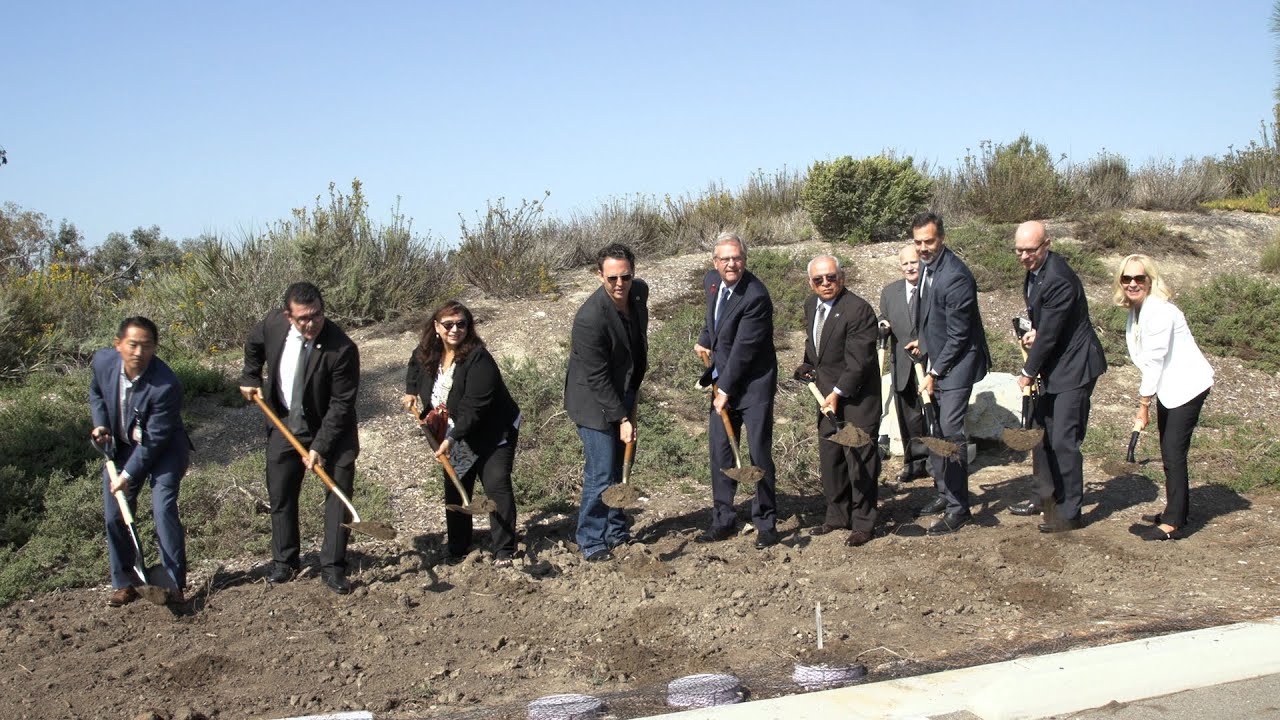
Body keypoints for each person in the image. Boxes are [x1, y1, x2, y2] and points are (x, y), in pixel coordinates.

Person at [240, 282, 360, 594]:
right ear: (288, 316)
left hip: (332, 428)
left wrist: (320, 446)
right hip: (285, 424)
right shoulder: (273, 325)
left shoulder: (342, 348)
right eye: (303, 318)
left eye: (316, 316)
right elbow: (253, 344)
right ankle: (284, 562)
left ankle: (333, 567)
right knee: (281, 494)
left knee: (337, 495)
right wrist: (251, 376)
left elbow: (341, 405)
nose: (311, 324)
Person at [403, 301, 521, 566]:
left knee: (496, 484)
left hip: (491, 431)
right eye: (448, 324)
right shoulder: (427, 352)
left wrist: (451, 439)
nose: (455, 329)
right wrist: (411, 390)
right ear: (436, 327)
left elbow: (474, 408)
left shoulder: (478, 358)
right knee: (456, 489)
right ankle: (458, 548)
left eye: (461, 324)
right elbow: (414, 364)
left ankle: (504, 550)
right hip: (452, 432)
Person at [1010, 221, 1107, 533]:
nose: (1024, 256)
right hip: (1055, 366)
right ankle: (1046, 497)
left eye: (1031, 250)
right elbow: (1047, 323)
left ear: (1047, 244)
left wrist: (1027, 371)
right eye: (1019, 250)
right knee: (1042, 434)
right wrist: (1034, 331)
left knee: (1064, 440)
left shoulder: (1059, 278)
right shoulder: (1036, 272)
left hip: (1075, 367)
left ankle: (1069, 512)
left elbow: (1051, 336)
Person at [89, 316, 192, 607]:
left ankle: (173, 583)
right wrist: (100, 425)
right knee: (114, 514)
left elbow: (154, 442)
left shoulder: (166, 385)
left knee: (163, 509)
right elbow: (96, 392)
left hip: (165, 450)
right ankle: (125, 582)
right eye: (132, 345)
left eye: (146, 346)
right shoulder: (103, 363)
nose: (138, 352)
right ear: (118, 344)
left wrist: (127, 475)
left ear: (155, 348)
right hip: (121, 445)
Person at [1115, 254, 1214, 541]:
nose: (1132, 284)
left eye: (1139, 278)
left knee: (1173, 452)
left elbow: (1154, 363)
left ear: (1150, 279)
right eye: (1126, 278)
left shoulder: (1158, 311)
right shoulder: (1138, 309)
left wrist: (1142, 406)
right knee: (1169, 451)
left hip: (1187, 387)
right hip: (1170, 389)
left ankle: (1173, 523)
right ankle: (1175, 510)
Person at [693, 232, 780, 549]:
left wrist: (725, 390)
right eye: (725, 258)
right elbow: (713, 317)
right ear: (715, 262)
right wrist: (705, 337)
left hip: (753, 385)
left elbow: (745, 349)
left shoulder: (755, 295)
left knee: (758, 454)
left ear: (745, 259)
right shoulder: (711, 282)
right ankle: (723, 519)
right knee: (721, 452)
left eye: (737, 258)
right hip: (723, 382)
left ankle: (766, 522)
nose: (731, 263)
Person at [905, 213, 990, 536]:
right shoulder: (928, 267)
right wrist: (923, 342)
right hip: (937, 358)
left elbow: (958, 335)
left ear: (942, 238)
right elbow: (930, 316)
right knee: (935, 428)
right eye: (918, 243)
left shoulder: (956, 276)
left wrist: (934, 372)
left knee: (950, 432)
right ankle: (944, 493)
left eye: (929, 241)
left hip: (956, 365)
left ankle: (959, 508)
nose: (924, 248)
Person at [564, 243, 649, 562]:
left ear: (633, 274)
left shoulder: (639, 292)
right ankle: (590, 538)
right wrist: (622, 419)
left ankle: (616, 530)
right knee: (601, 470)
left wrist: (632, 394)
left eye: (625, 277)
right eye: (612, 277)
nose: (619, 284)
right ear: (599, 275)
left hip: (624, 388)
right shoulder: (589, 318)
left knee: (620, 465)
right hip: (592, 399)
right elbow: (596, 377)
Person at [799, 255, 881, 547]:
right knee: (831, 460)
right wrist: (807, 365)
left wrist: (837, 393)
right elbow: (815, 346)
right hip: (826, 396)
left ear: (841, 278)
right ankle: (837, 516)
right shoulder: (811, 306)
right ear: (811, 283)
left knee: (859, 461)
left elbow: (860, 361)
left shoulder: (858, 310)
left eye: (831, 277)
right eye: (819, 280)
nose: (826, 284)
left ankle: (863, 523)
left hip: (857, 398)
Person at [878, 244, 930, 484]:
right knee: (908, 417)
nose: (910, 267)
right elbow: (884, 317)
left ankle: (938, 464)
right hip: (902, 364)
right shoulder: (890, 292)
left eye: (914, 262)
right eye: (905, 263)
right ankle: (914, 463)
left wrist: (925, 343)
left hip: (930, 365)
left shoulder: (934, 288)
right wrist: (883, 325)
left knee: (934, 416)